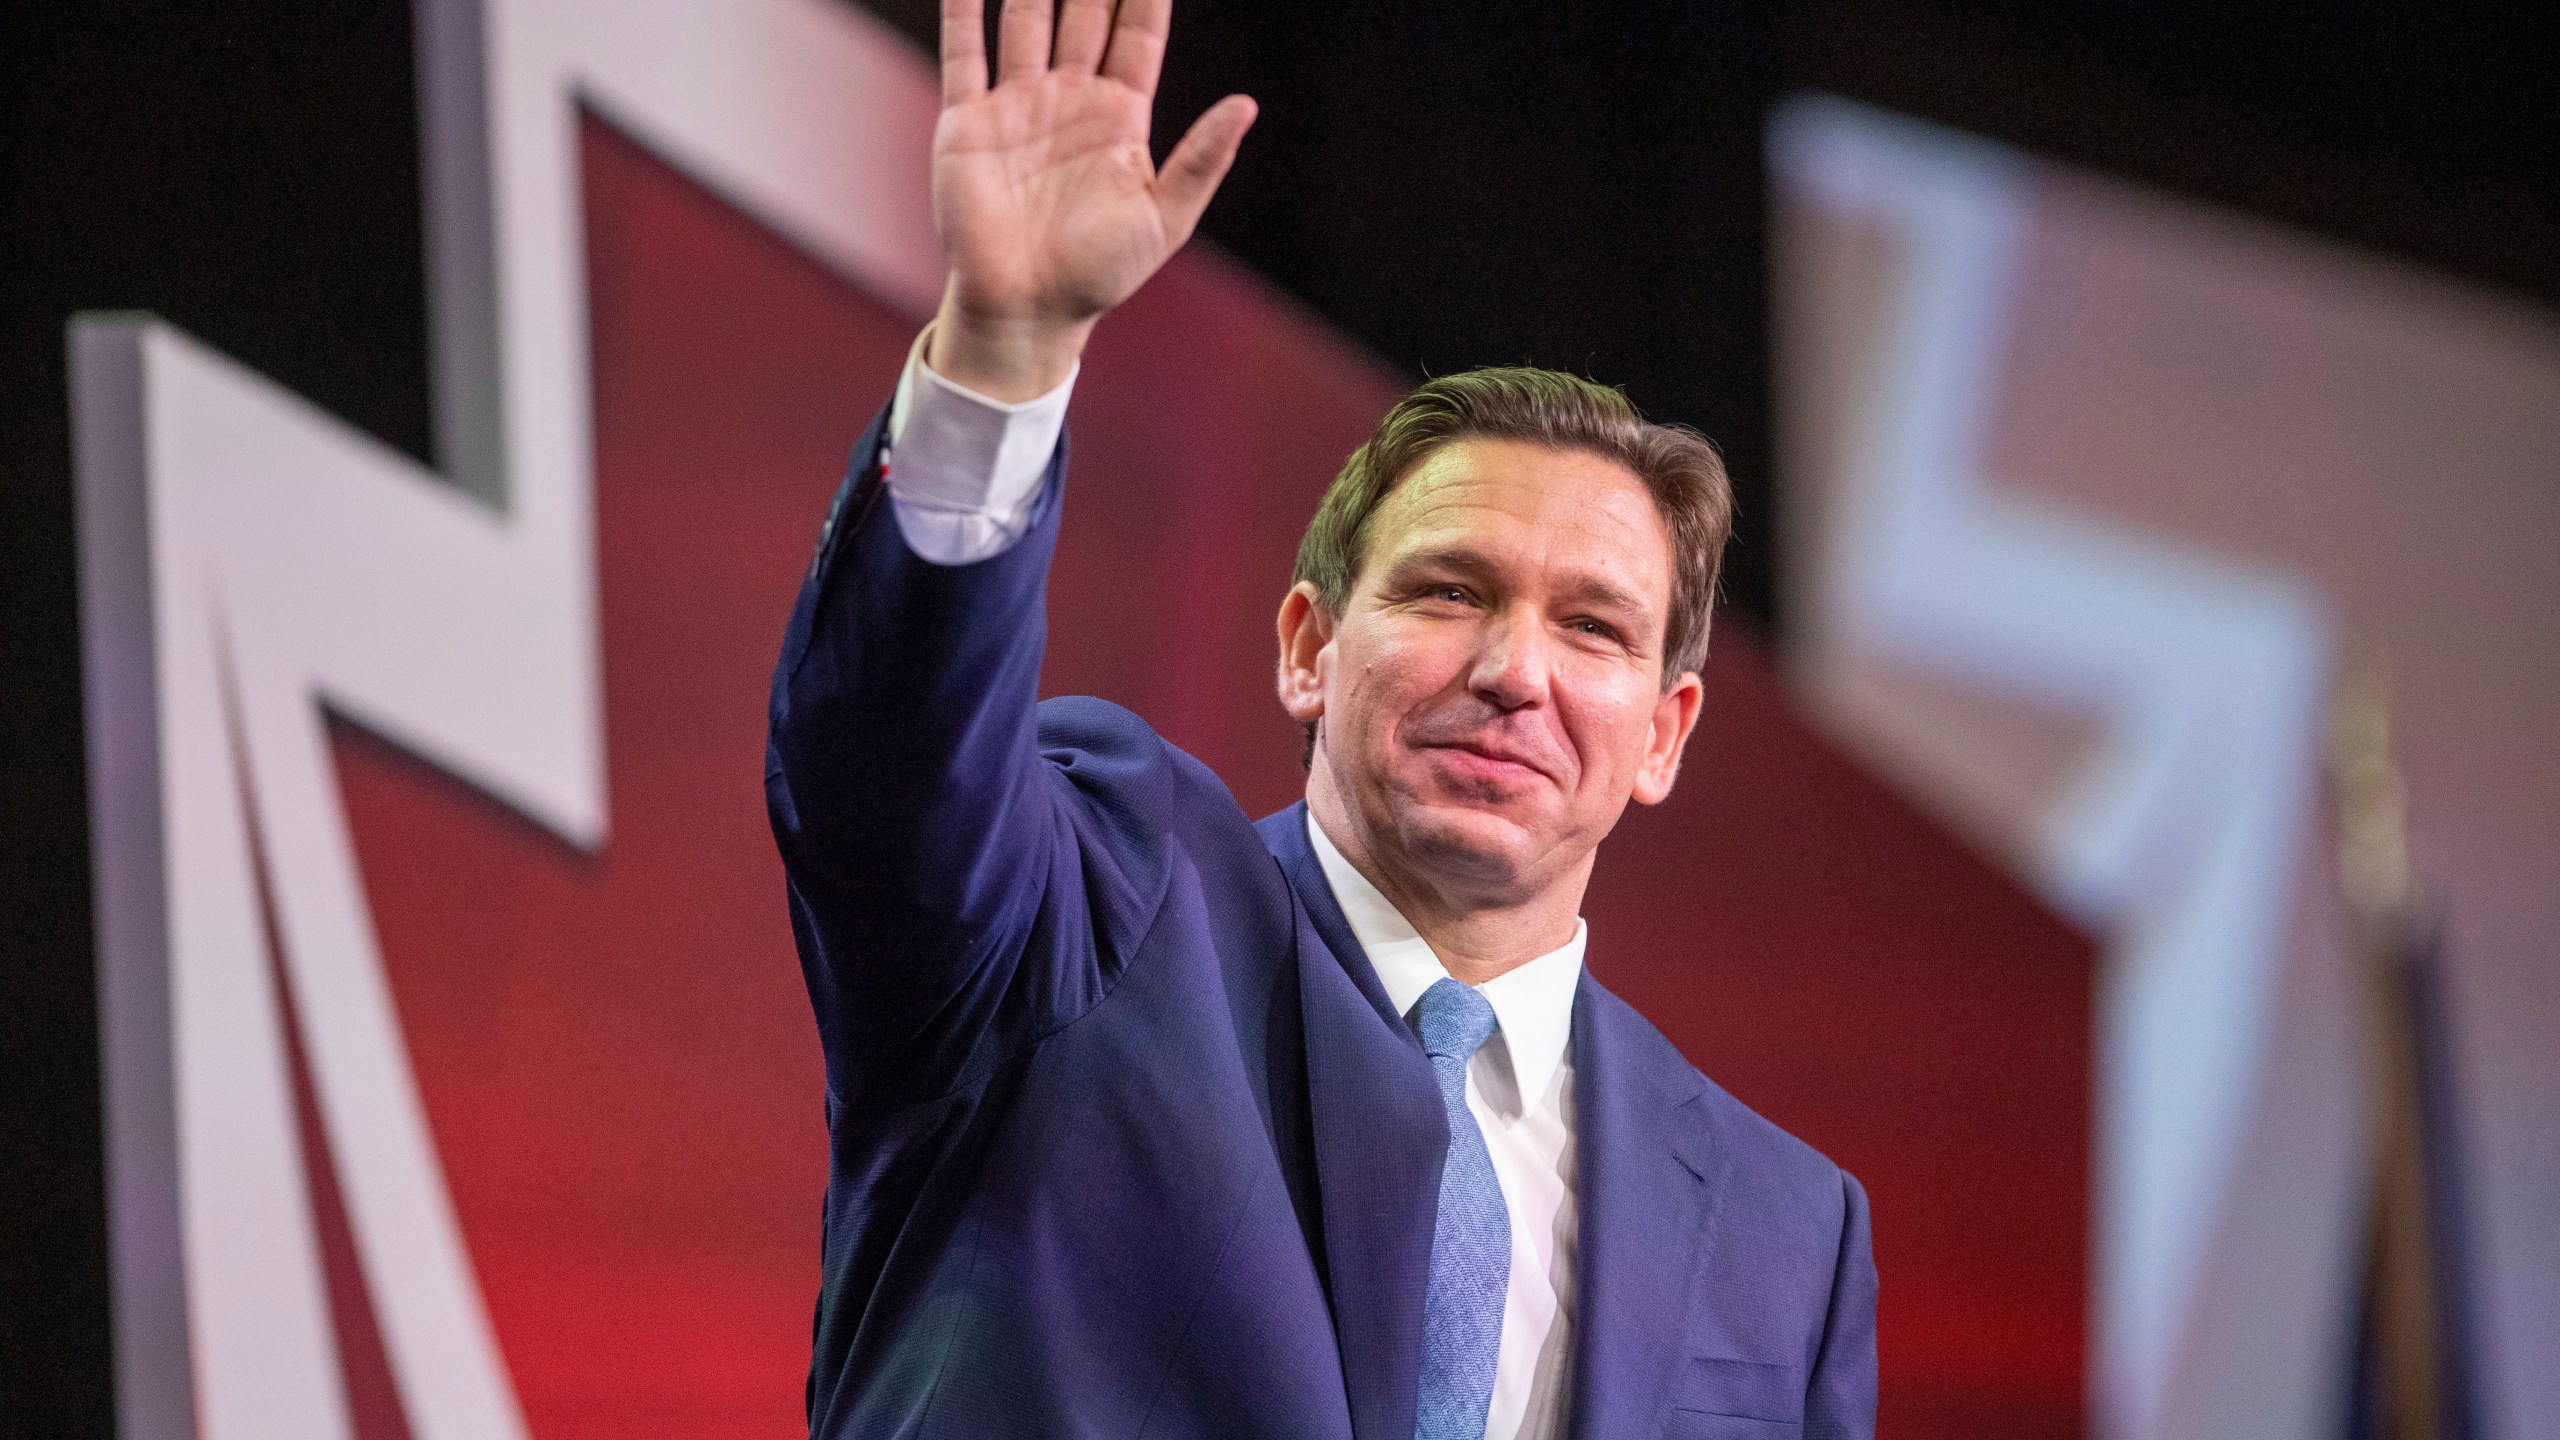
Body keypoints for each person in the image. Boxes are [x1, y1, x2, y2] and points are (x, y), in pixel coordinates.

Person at [763, 0, 1877, 1435]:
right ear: (1307, 646)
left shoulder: (1789, 1229)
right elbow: (889, 769)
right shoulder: (1096, 910)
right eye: (1449, 591)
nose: (1514, 670)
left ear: (1664, 732)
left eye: (1590, 626)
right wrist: (1003, 353)